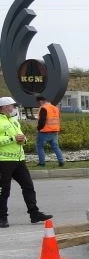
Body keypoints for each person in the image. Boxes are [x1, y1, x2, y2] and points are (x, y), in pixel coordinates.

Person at [0, 97, 52, 228]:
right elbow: (9, 138)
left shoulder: (14, 120)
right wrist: (13, 138)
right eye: (11, 106)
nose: (13, 108)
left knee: (28, 186)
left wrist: (24, 140)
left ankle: (34, 214)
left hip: (19, 160)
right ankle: (2, 218)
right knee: (4, 191)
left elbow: (22, 136)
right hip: (4, 161)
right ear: (5, 107)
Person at [34, 95, 65, 167]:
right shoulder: (55, 108)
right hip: (55, 130)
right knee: (55, 147)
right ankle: (61, 162)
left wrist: (38, 129)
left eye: (38, 103)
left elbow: (42, 121)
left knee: (39, 147)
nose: (38, 104)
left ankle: (42, 163)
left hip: (45, 131)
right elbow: (58, 118)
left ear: (41, 101)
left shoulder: (44, 108)